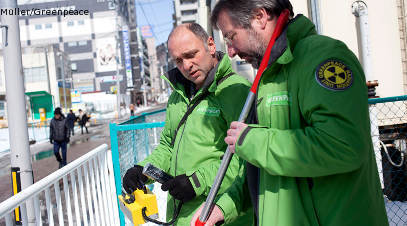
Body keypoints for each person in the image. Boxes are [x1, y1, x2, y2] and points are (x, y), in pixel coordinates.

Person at [191, 1, 389, 226]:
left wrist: (253, 141)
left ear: (260, 17)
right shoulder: (268, 77)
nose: (231, 52)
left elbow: (342, 145)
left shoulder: (322, 58)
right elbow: (265, 171)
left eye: (231, 36)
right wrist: (221, 207)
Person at [122, 23, 253, 225]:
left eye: (191, 55)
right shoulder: (178, 96)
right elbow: (167, 146)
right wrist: (143, 170)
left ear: (210, 45)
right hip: (180, 215)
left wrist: (197, 182)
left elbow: (246, 160)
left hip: (218, 215)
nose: (186, 66)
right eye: (178, 60)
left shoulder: (236, 91)